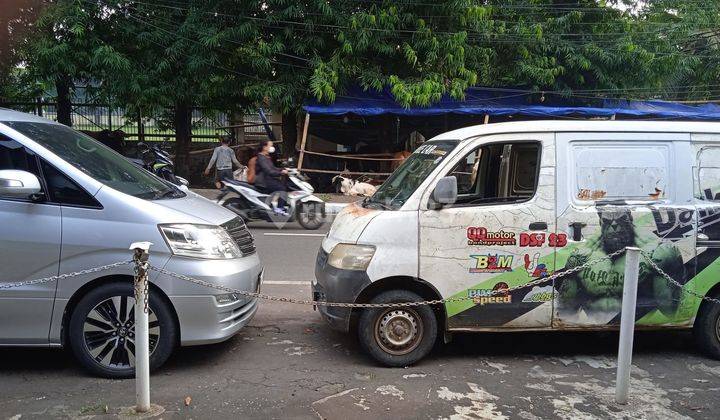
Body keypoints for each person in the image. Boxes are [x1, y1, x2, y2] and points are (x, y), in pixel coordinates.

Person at [254, 140, 288, 215]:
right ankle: (279, 208)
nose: (272, 147)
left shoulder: (266, 157)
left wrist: (283, 169)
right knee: (282, 188)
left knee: (284, 185)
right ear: (264, 147)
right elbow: (268, 170)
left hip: (267, 179)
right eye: (270, 146)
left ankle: (280, 206)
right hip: (264, 181)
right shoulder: (261, 158)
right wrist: (280, 173)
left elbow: (273, 168)